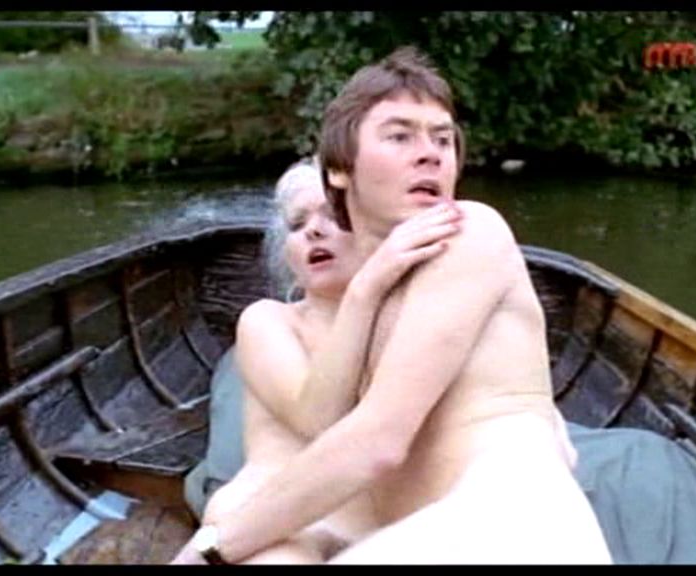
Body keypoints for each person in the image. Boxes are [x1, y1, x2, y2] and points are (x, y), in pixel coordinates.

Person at [178, 46, 611, 564]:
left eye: (443, 139)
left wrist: (210, 548)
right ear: (340, 168)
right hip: (425, 527)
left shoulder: (469, 232)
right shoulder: (363, 295)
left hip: (513, 521)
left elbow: (376, 442)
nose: (431, 154)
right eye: (400, 136)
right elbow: (325, 423)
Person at [171, 156, 463, 563]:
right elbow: (319, 420)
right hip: (271, 520)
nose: (313, 230)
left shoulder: (413, 321)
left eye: (334, 215)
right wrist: (366, 288)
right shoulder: (267, 321)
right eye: (296, 224)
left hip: (380, 520)